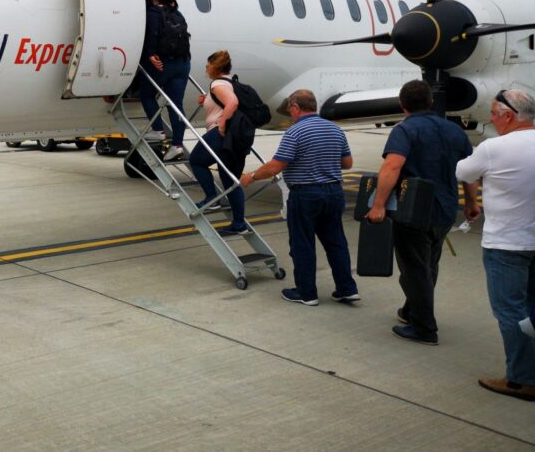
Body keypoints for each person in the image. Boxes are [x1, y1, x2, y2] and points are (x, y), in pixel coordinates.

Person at [365, 80, 478, 345]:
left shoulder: (405, 130)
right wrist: (471, 203)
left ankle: (424, 328)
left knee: (414, 270)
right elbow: (469, 171)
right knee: (428, 264)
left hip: (413, 212)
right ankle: (411, 310)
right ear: (431, 102)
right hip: (445, 210)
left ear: (402, 105)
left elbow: (392, 167)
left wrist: (378, 205)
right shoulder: (454, 130)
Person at [240, 89, 358, 305]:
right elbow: (347, 163)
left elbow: (276, 166)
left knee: (302, 245)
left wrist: (252, 176)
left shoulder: (295, 132)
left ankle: (307, 293)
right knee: (336, 243)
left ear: (295, 107)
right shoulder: (334, 129)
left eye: (290, 109)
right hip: (334, 193)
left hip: (306, 195)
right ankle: (347, 288)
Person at [455, 89, 535, 401]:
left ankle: (522, 379)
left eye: (493, 113)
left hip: (507, 244)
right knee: (531, 309)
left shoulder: (493, 148)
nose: (490, 119)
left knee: (510, 311)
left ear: (509, 116)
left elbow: (463, 171)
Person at [188, 50, 248, 234]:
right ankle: (239, 224)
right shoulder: (230, 82)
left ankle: (211, 198)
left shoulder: (217, 84)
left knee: (196, 161)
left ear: (215, 67)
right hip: (234, 136)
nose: (206, 69)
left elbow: (232, 103)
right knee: (230, 180)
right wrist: (206, 101)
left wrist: (222, 125)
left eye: (207, 66)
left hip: (219, 132)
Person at [138, 0, 191, 161]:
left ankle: (158, 130)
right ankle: (177, 145)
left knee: (146, 94)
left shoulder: (153, 13)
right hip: (183, 64)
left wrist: (151, 54)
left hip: (163, 64)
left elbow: (152, 34)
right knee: (175, 105)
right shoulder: (178, 14)